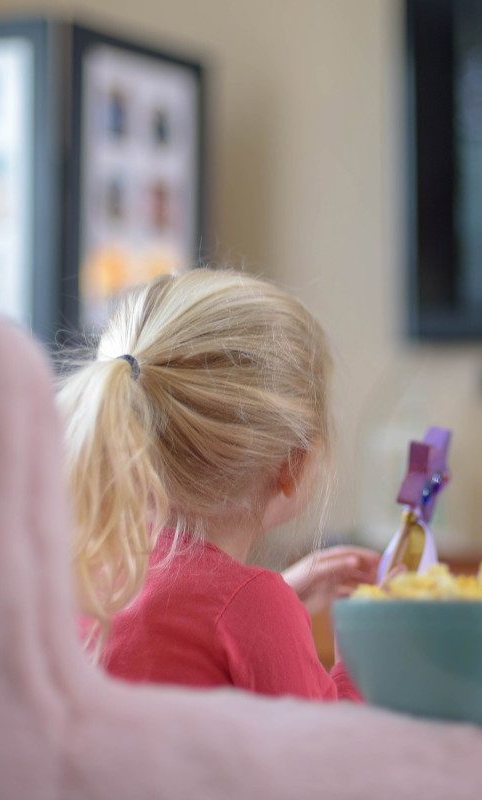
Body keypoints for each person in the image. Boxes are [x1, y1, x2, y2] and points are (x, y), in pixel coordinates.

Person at [58, 269, 379, 700]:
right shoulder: (253, 609)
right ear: (293, 464)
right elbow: (323, 759)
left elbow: (187, 630)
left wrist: (275, 599)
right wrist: (367, 659)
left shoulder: (91, 570)